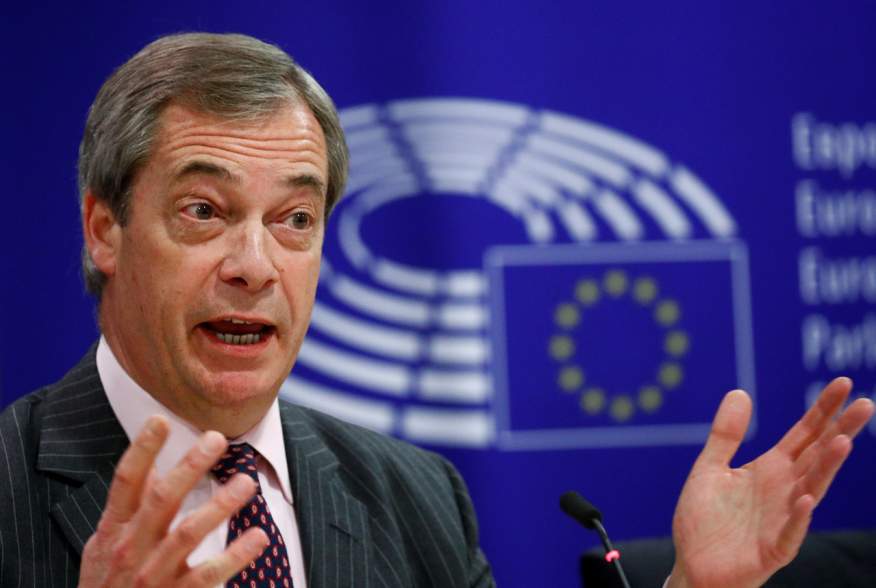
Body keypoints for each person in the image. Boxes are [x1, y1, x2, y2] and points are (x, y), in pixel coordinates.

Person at [0, 32, 871, 588]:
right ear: (104, 228)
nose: (255, 266)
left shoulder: (414, 497)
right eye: (204, 212)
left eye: (295, 220)